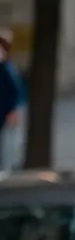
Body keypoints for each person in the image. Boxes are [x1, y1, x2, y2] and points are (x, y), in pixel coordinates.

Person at [0, 29, 25, 171]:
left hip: (6, 113)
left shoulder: (7, 69)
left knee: (7, 145)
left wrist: (13, 110)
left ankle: (5, 170)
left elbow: (16, 92)